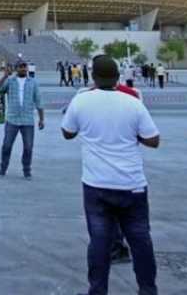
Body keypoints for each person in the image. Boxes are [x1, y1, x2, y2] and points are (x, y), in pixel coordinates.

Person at [61, 55, 161, 295]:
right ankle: (148, 290)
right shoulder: (133, 103)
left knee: (99, 242)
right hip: (132, 184)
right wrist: (132, 136)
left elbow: (67, 132)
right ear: (118, 77)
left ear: (92, 77)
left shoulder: (81, 101)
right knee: (140, 240)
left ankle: (97, 290)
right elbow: (153, 140)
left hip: (97, 184)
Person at [0, 61, 45, 179]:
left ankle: (26, 170)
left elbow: (38, 101)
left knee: (28, 147)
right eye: (21, 67)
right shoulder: (10, 81)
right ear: (16, 69)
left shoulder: (33, 83)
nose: (23, 69)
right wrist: (5, 76)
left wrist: (41, 119)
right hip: (12, 119)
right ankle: (3, 168)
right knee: (7, 145)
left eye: (25, 67)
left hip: (27, 120)